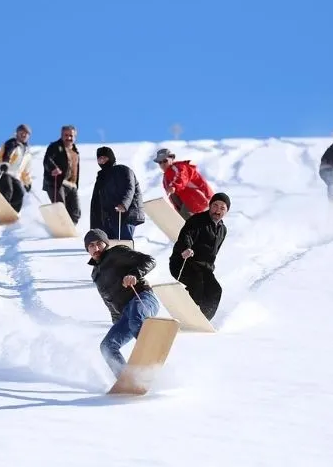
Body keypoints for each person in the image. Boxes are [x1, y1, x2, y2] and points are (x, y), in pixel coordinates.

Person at [84, 228, 161, 378]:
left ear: (106, 244)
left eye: (99, 243)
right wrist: (117, 324)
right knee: (107, 346)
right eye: (91, 245)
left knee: (136, 318)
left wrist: (134, 274)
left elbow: (150, 261)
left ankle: (152, 362)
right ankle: (127, 379)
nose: (96, 248)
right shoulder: (95, 274)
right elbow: (110, 302)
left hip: (143, 298)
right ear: (87, 249)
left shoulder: (117, 253)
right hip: (125, 313)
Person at [169, 192, 229, 321]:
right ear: (210, 205)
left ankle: (203, 320)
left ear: (226, 211)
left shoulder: (223, 230)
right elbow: (186, 235)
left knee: (215, 290)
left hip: (204, 268)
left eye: (222, 208)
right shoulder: (197, 220)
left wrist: (210, 268)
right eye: (215, 205)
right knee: (198, 285)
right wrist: (186, 248)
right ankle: (185, 314)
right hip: (183, 263)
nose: (218, 210)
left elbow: (214, 252)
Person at [89, 146, 146, 241]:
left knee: (124, 242)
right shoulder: (101, 177)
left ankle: (128, 256)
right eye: (99, 159)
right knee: (111, 245)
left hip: (126, 214)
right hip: (110, 218)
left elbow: (130, 187)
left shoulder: (122, 170)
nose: (102, 161)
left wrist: (124, 204)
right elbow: (97, 201)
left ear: (111, 157)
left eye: (104, 158)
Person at [152, 148, 215, 220]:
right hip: (189, 203)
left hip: (200, 198)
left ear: (171, 159)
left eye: (165, 161)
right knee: (183, 215)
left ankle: (194, 228)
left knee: (185, 214)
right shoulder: (166, 177)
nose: (162, 164)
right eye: (160, 162)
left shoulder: (179, 167)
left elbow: (181, 178)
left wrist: (174, 186)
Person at [42, 125, 81, 225]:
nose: (68, 138)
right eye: (66, 135)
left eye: (71, 135)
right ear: (61, 135)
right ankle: (59, 226)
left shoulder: (75, 151)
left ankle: (70, 228)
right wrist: (53, 168)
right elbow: (47, 160)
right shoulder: (55, 147)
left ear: (75, 136)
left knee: (76, 211)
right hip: (57, 182)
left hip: (72, 185)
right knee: (60, 207)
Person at [0, 124, 33, 212]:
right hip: (2, 172)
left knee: (19, 194)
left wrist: (27, 183)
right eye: (21, 133)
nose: (24, 135)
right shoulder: (12, 143)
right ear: (17, 133)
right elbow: (7, 153)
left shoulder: (27, 153)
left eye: (26, 134)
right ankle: (1, 209)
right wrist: (5, 163)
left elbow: (25, 170)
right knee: (8, 189)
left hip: (15, 176)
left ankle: (13, 213)